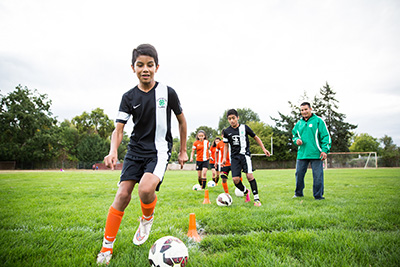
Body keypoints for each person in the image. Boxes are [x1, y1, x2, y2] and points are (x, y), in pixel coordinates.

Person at [97, 44, 188, 265]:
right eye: (140, 65)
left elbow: (182, 121)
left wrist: (183, 150)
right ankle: (106, 248)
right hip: (135, 151)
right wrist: (113, 151)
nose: (145, 69)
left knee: (146, 190)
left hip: (158, 151)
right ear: (133, 68)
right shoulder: (128, 97)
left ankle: (147, 218)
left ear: (157, 67)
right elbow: (118, 129)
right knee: (122, 195)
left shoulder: (168, 92)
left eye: (149, 65)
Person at [222, 109, 270, 206]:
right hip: (234, 158)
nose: (231, 120)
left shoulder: (245, 128)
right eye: (229, 119)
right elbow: (226, 145)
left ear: (237, 118)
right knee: (235, 179)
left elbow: (255, 137)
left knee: (249, 176)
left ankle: (256, 198)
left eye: (233, 118)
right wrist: (224, 158)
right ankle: (245, 191)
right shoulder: (226, 131)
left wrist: (263, 149)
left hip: (245, 155)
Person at [292, 102, 331, 200]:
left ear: (310, 109)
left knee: (318, 176)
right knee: (299, 175)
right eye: (302, 110)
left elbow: (326, 137)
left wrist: (324, 150)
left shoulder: (318, 121)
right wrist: (297, 141)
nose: (304, 112)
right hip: (302, 154)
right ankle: (298, 194)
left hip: (316, 154)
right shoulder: (299, 124)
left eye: (306, 109)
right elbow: (294, 136)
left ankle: (318, 196)